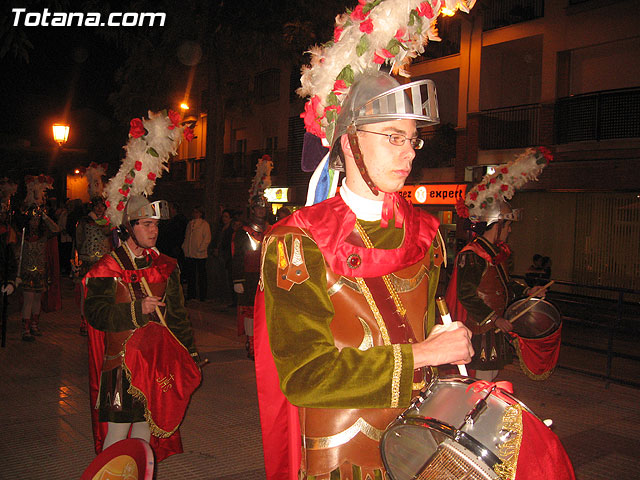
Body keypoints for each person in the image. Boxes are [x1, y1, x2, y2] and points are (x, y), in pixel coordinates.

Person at [255, 70, 474, 479]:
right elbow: (306, 376)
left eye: (412, 139)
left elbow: (429, 345)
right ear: (349, 141)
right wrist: (423, 355)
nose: (409, 153)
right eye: (393, 136)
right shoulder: (297, 242)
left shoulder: (426, 235)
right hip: (343, 459)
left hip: (418, 449)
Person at [84, 194, 201, 460]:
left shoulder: (165, 266)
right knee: (116, 437)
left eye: (156, 225)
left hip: (153, 365)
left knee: (143, 434)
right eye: (146, 224)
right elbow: (95, 314)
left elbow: (178, 318)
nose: (154, 231)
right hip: (120, 367)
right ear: (129, 228)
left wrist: (189, 355)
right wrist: (137, 310)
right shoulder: (108, 268)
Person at [446, 149, 553, 381]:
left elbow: (504, 285)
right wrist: (495, 319)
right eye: (507, 224)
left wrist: (527, 292)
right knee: (478, 383)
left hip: (493, 329)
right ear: (497, 224)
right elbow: (466, 295)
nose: (510, 229)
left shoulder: (494, 253)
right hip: (480, 331)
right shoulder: (473, 254)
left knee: (490, 381)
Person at [232, 196, 268, 359]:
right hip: (249, 277)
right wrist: (238, 280)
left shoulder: (271, 228)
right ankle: (252, 342)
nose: (261, 210)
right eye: (258, 208)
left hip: (267, 277)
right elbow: (237, 256)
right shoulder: (243, 231)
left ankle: (264, 343)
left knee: (266, 312)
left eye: (263, 208)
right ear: (252, 210)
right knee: (250, 312)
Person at [16, 205, 60, 341]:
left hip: (40, 272)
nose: (34, 222)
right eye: (32, 220)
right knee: (28, 300)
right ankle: (26, 328)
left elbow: (56, 229)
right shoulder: (22, 235)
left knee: (37, 300)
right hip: (27, 272)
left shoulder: (43, 235)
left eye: (37, 220)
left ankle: (34, 325)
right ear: (28, 221)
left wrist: (45, 216)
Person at [75, 196, 115, 335]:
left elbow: (107, 232)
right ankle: (84, 322)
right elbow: (79, 240)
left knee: (102, 293)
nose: (99, 208)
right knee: (85, 293)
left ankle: (99, 320)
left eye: (102, 206)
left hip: (103, 262)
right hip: (87, 260)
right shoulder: (84, 221)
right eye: (97, 206)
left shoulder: (108, 222)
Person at [182, 206, 211, 302]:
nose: (195, 214)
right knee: (191, 275)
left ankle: (203, 295)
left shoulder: (204, 224)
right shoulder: (190, 224)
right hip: (190, 253)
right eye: (194, 212)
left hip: (200, 254)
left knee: (201, 275)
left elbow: (207, 238)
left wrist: (201, 248)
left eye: (197, 212)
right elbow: (187, 237)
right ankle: (191, 294)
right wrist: (185, 248)